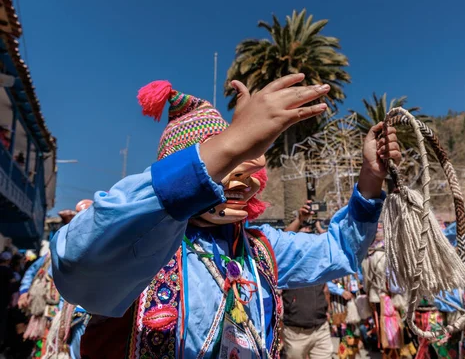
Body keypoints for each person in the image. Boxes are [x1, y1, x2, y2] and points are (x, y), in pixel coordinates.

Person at [50, 75, 401, 359]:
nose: (240, 178)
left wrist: (370, 181)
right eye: (224, 163)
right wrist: (230, 143)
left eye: (247, 160)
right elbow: (76, 259)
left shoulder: (260, 248)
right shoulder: (144, 243)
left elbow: (339, 250)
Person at [19, 202, 92, 359]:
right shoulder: (51, 255)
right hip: (51, 311)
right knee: (47, 348)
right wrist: (24, 291)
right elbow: (32, 271)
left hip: (79, 315)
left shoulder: (93, 252)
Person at [281, 203, 332, 359]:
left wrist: (328, 311)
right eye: (301, 232)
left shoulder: (317, 260)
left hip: (321, 328)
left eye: (309, 231)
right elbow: (282, 241)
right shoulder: (287, 263)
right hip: (296, 333)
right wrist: (300, 220)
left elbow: (325, 290)